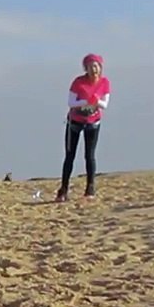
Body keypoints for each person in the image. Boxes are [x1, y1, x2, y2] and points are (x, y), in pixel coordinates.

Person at [56, 53, 110, 201]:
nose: (94, 69)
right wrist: (85, 102)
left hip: (93, 121)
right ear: (85, 68)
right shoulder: (78, 82)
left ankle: (90, 188)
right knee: (70, 155)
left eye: (96, 66)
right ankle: (63, 189)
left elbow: (105, 104)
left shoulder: (104, 82)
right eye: (90, 66)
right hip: (75, 121)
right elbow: (71, 102)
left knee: (89, 155)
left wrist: (96, 101)